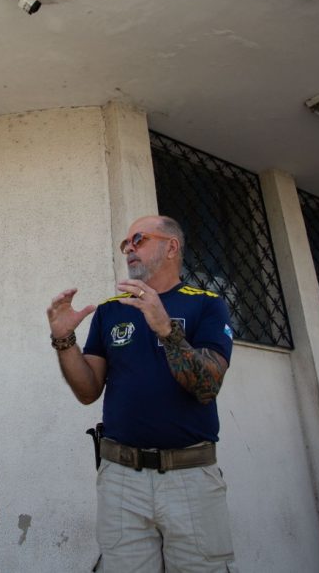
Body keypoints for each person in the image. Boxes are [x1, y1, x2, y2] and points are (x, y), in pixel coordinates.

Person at [47, 215, 236, 572]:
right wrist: (64, 340)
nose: (129, 249)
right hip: (122, 479)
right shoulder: (110, 310)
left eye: (139, 239)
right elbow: (87, 391)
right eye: (125, 244)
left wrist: (165, 328)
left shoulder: (206, 304)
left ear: (171, 247)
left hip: (190, 477)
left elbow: (207, 387)